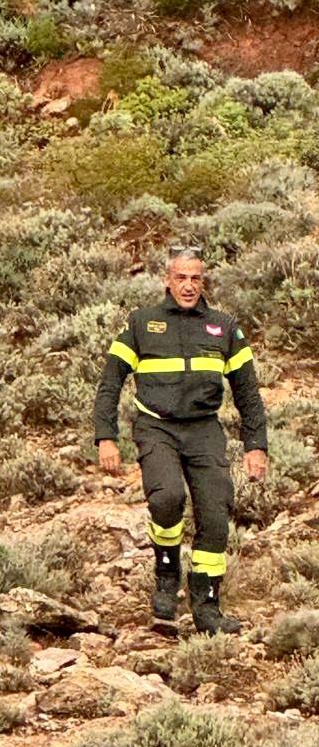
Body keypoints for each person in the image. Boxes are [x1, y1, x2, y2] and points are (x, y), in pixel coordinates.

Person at [93, 245, 268, 635]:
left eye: (195, 278)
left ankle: (207, 606)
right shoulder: (141, 323)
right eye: (181, 278)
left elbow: (248, 394)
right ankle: (167, 573)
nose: (188, 286)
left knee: (215, 513)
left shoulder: (224, 326)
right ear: (167, 281)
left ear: (203, 281)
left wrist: (256, 445)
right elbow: (110, 384)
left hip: (204, 429)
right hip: (157, 427)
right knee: (167, 497)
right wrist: (106, 436)